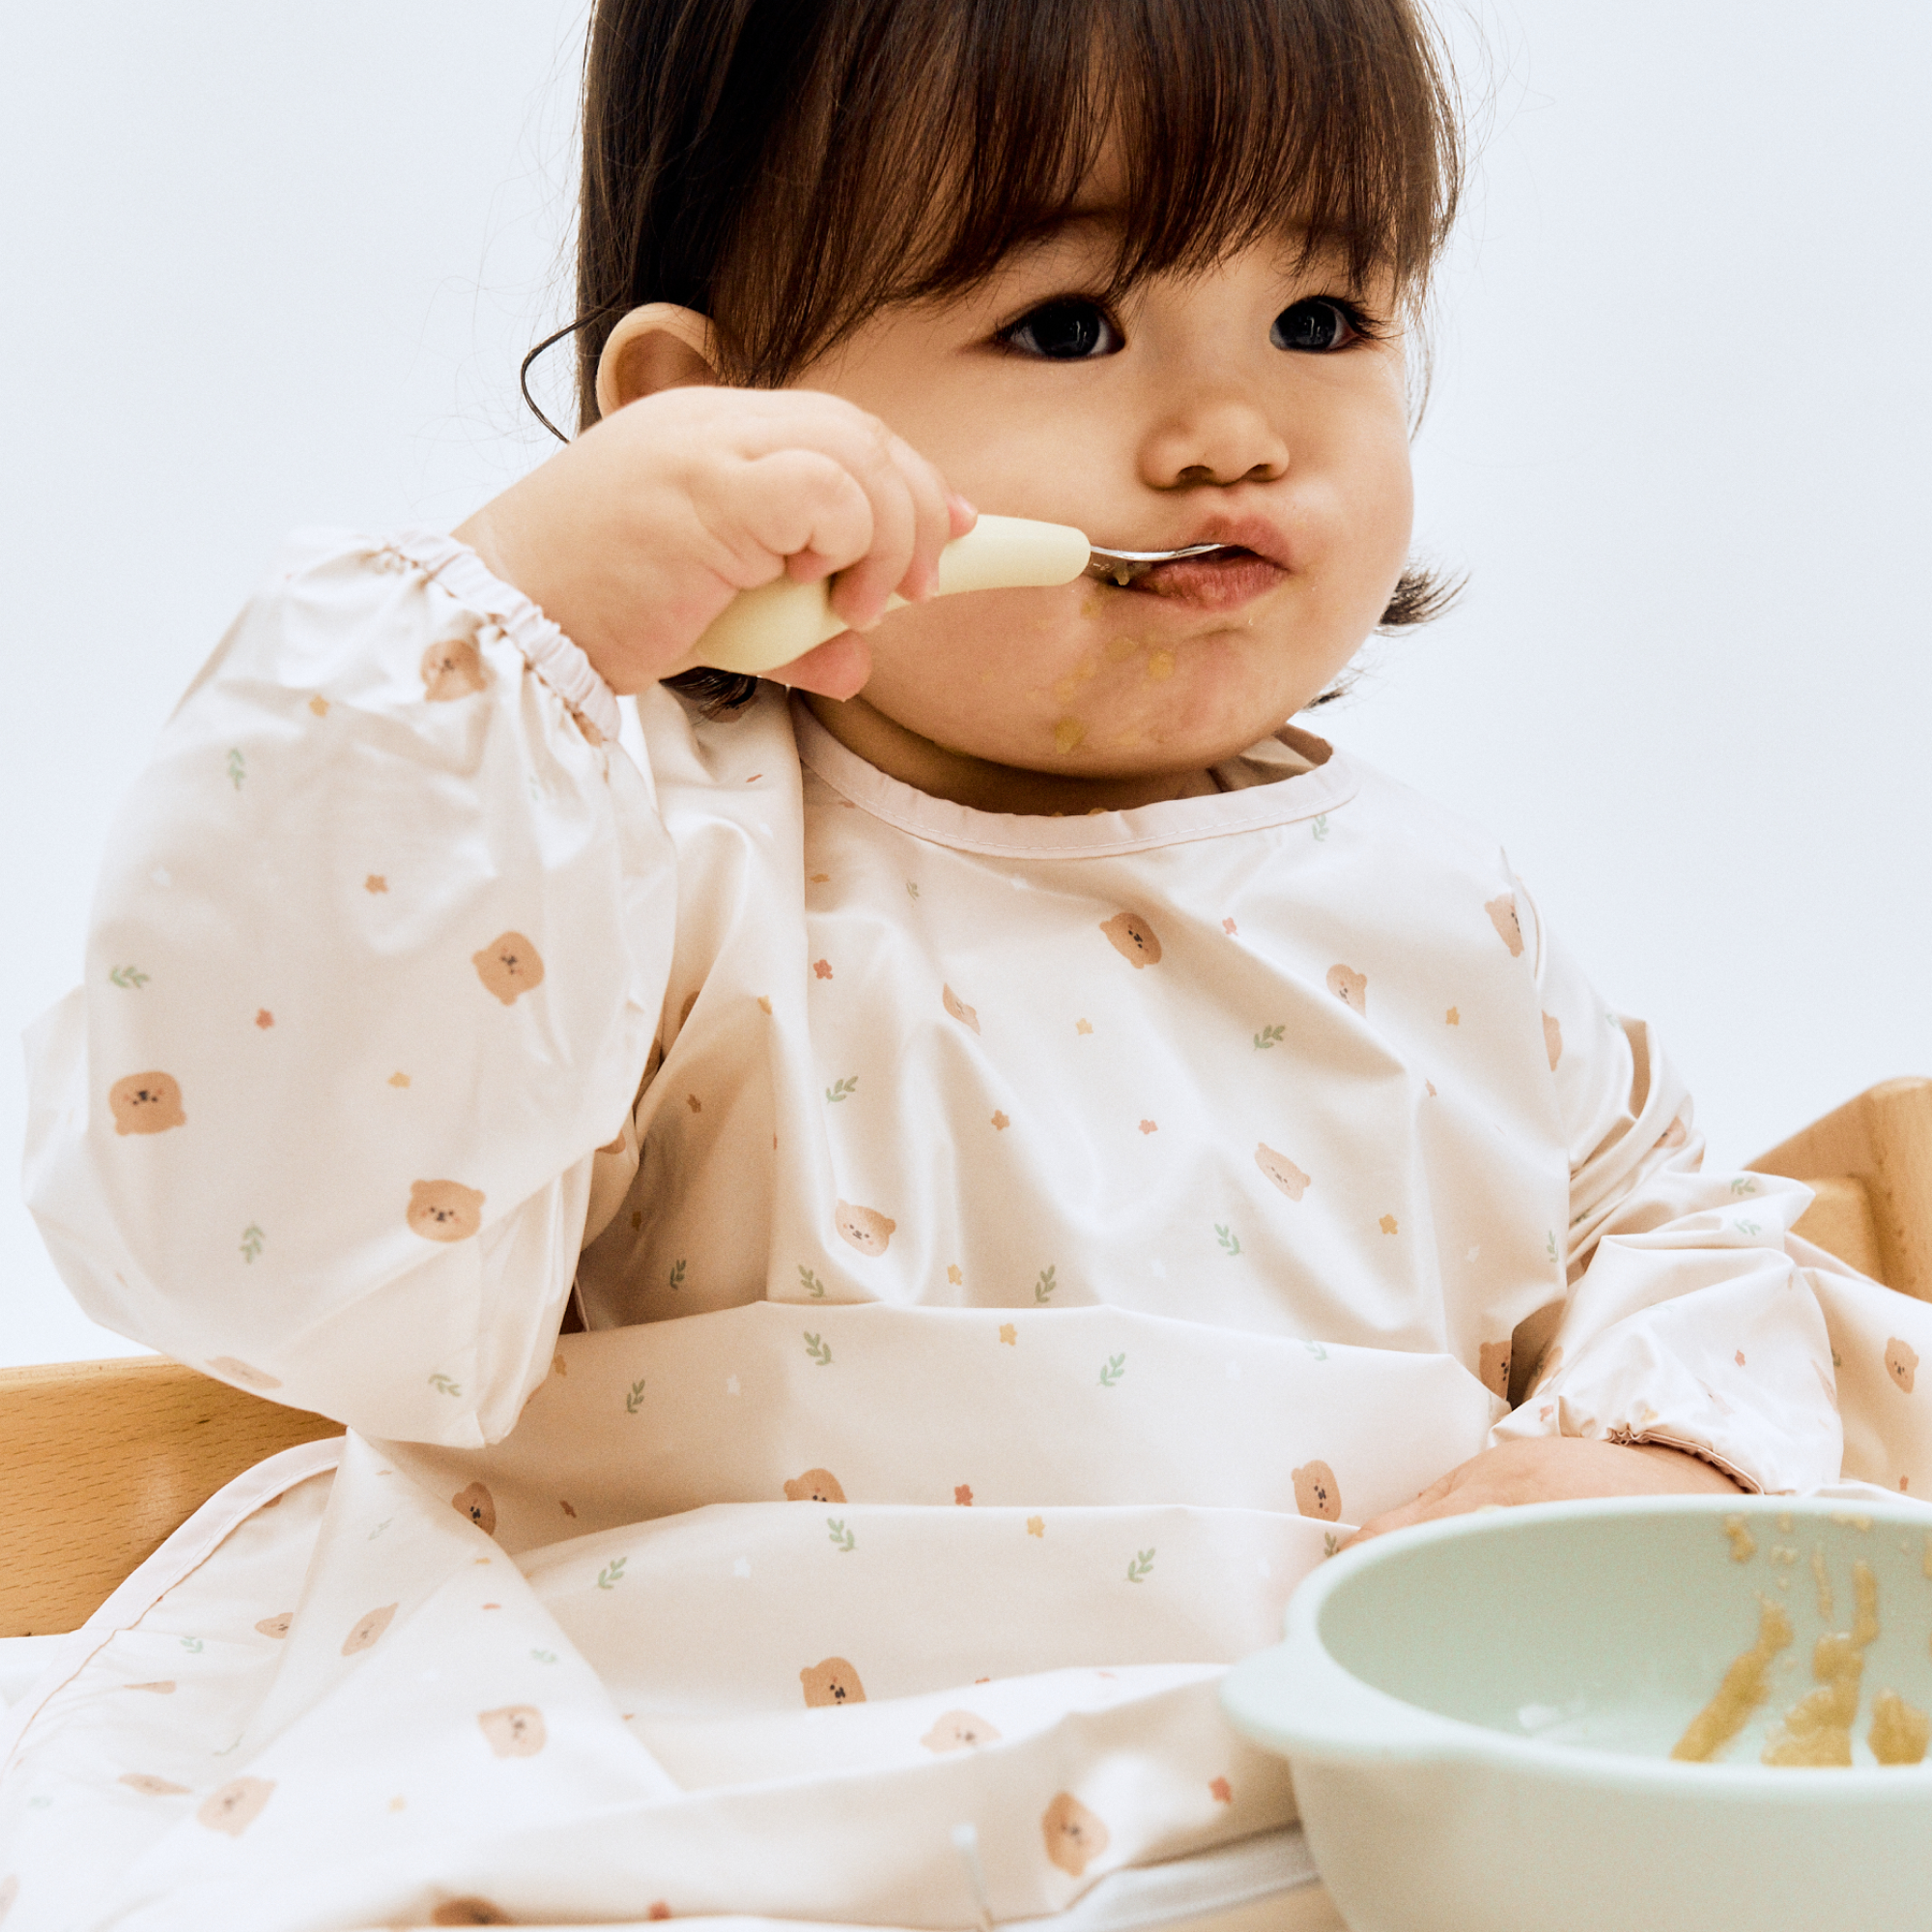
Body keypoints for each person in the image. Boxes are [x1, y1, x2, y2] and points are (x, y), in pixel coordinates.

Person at [7, 0, 1925, 1925]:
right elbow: (263, 1231)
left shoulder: (1441, 910)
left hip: (1331, 1812)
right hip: (759, 1804)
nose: (1232, 431)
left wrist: (1644, 1452)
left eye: (1322, 317)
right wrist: (512, 626)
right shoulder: (636, 859)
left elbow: (1676, 1234)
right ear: (709, 414)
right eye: (1068, 326)